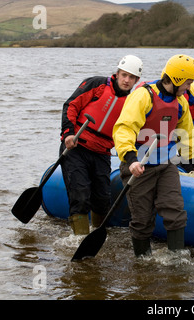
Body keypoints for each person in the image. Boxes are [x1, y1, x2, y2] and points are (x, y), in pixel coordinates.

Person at [112, 54, 194, 257]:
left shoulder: (180, 102)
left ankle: (177, 260)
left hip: (166, 166)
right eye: (188, 82)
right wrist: (131, 160)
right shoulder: (143, 96)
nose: (189, 87)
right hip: (139, 167)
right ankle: (143, 263)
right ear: (177, 79)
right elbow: (124, 129)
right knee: (142, 220)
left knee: (176, 212)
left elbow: (187, 136)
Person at [60, 55, 143, 235]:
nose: (127, 80)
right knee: (80, 196)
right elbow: (70, 106)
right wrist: (68, 133)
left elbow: (132, 129)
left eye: (131, 77)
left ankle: (96, 237)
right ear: (117, 73)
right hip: (76, 147)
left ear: (136, 80)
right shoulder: (96, 84)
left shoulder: (132, 102)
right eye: (124, 75)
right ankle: (80, 240)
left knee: (102, 200)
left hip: (102, 153)